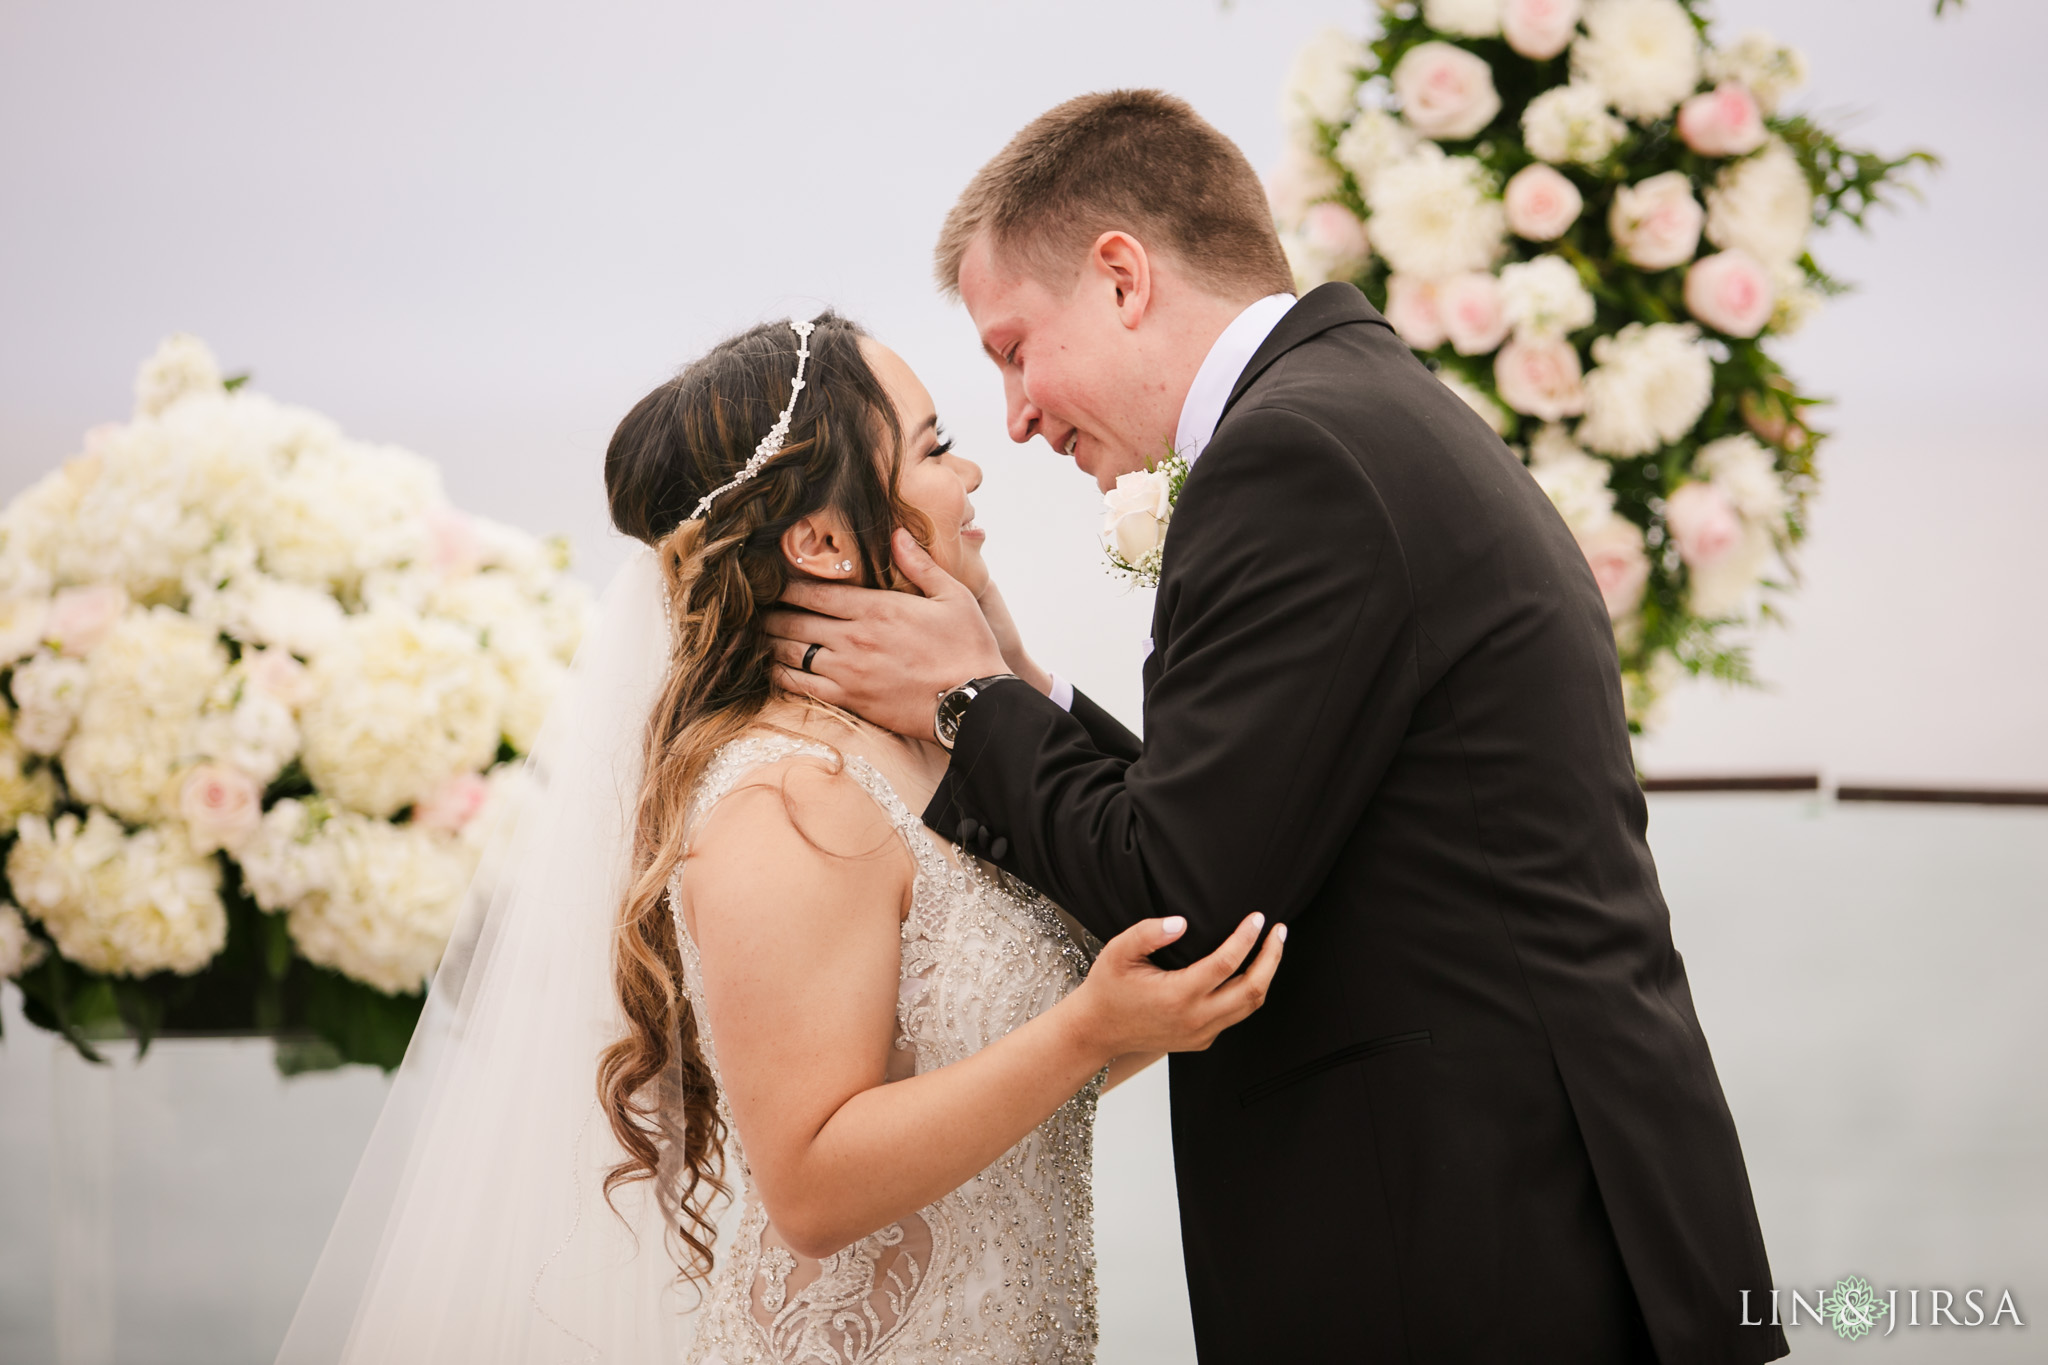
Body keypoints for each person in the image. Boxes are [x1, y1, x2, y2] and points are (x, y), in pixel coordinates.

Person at [766, 91, 1789, 1363]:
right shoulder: (1354, 409)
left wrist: (962, 706)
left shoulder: (1290, 457)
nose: (1018, 415)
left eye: (1015, 349)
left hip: (1472, 1250)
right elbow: (1250, 823)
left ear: (1122, 278)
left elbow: (1189, 894)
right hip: (1537, 1213)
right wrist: (1017, 679)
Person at [274, 312, 1281, 1365]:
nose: (972, 470)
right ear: (818, 541)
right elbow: (809, 1180)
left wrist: (1135, 1020)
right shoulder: (784, 798)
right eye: (933, 447)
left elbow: (967, 1069)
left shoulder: (919, 750)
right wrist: (1086, 1031)